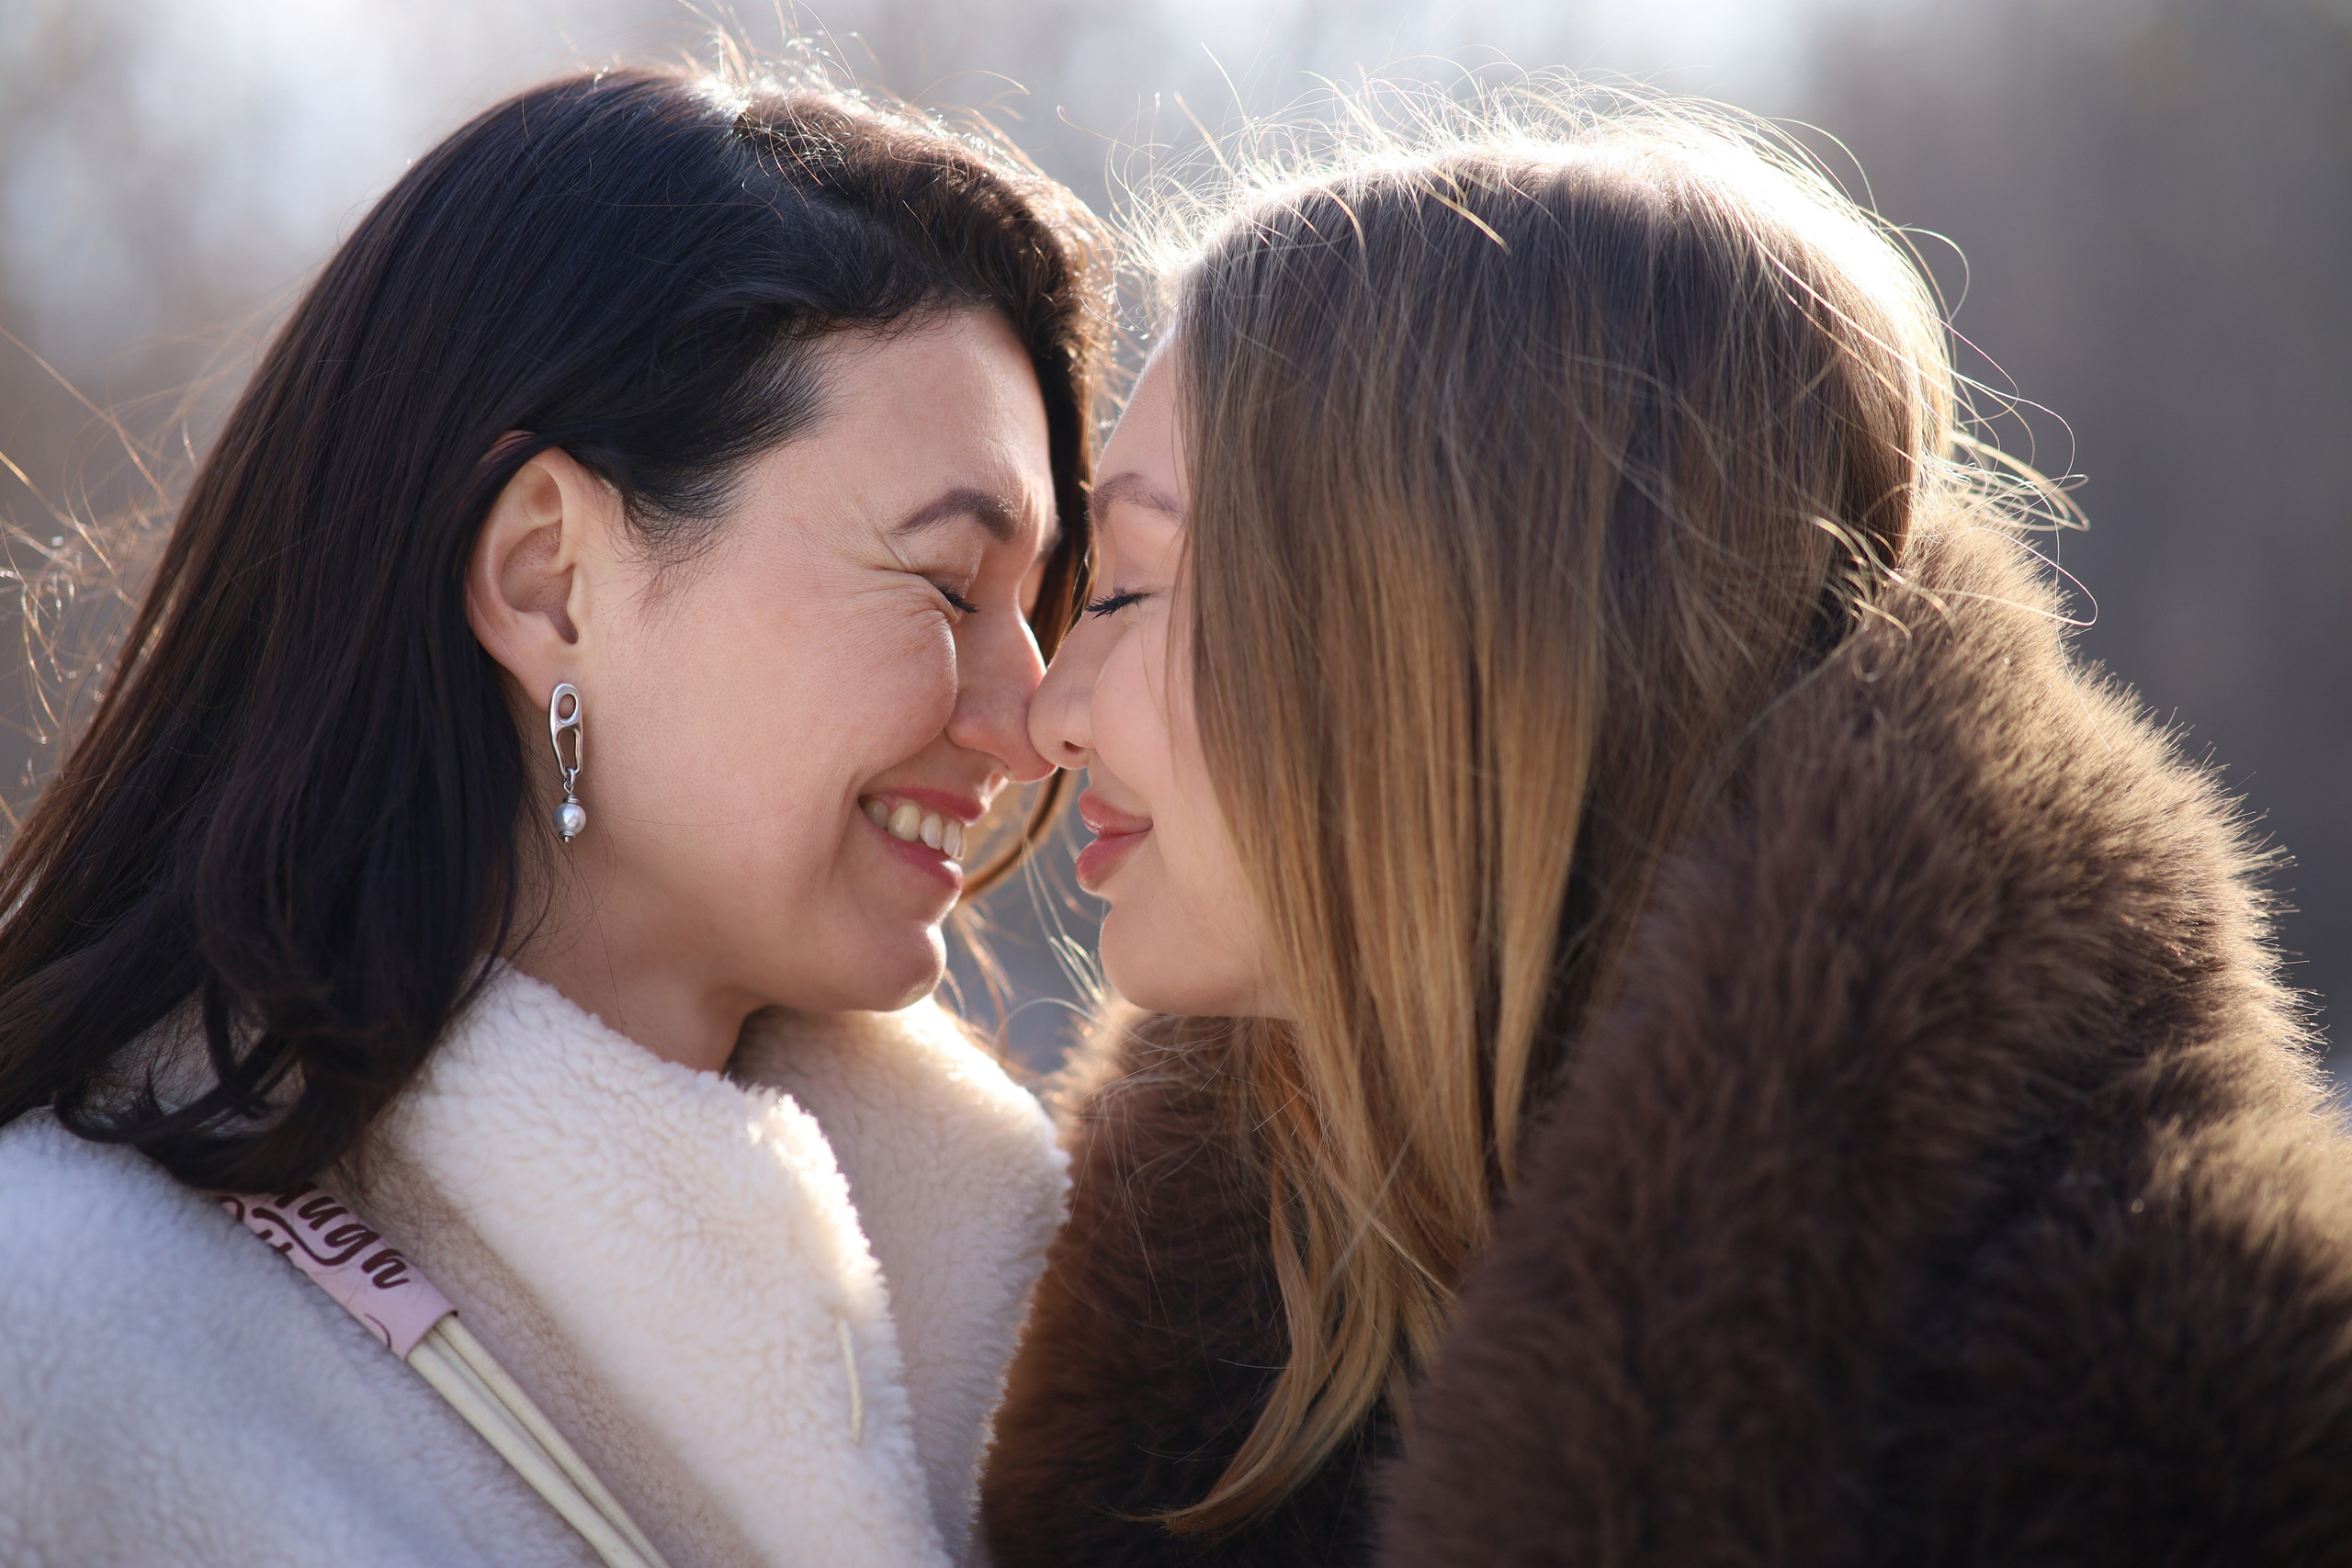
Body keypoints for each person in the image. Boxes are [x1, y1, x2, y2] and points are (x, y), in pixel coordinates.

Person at [982, 94, 2352, 1564]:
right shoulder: (1157, 1333)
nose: (1051, 713)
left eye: (1127, 589)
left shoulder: (2193, 1432)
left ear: (1457, 646)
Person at [0, 60, 1106, 1568]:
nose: (1030, 718)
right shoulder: (64, 1364)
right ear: (550, 580)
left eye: (1043, 610)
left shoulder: (1052, 1358)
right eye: (948, 583)